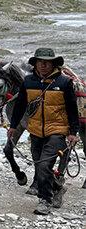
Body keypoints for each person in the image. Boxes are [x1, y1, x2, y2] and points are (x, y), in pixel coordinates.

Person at [9, 48, 80, 215]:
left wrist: (73, 133)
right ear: (35, 64)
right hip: (35, 131)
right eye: (40, 62)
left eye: (47, 62)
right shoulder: (28, 82)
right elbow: (19, 107)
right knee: (40, 166)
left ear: (53, 64)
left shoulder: (64, 83)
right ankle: (57, 187)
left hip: (57, 131)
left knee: (44, 165)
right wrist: (13, 127)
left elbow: (72, 109)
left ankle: (45, 201)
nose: (43, 65)